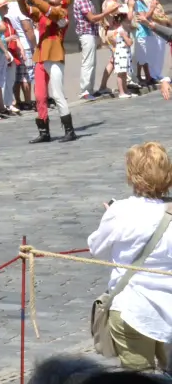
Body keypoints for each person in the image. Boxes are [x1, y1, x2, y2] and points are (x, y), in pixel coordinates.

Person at [88, 141, 172, 372]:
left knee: (139, 377)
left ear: (132, 175)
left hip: (132, 309)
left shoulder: (120, 212)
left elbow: (96, 249)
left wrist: (112, 220)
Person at [25, 0, 78, 144]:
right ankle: (44, 131)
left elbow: (50, 12)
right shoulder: (44, 10)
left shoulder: (62, 13)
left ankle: (70, 130)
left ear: (63, 1)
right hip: (41, 56)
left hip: (54, 55)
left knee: (57, 93)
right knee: (40, 96)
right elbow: (28, 11)